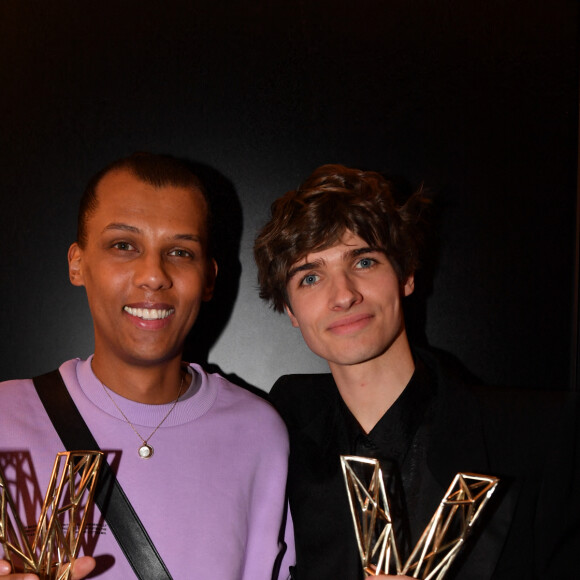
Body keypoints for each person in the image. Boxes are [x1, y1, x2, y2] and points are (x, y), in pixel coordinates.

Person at [254, 164, 579, 579]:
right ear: (289, 310)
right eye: (311, 277)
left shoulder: (539, 437)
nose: (343, 295)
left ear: (406, 274)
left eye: (365, 261)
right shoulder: (276, 441)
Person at [0, 153, 294, 579]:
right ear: (77, 263)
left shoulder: (258, 433)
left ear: (209, 278)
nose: (153, 275)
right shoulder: (6, 416)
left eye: (179, 251)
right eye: (124, 245)